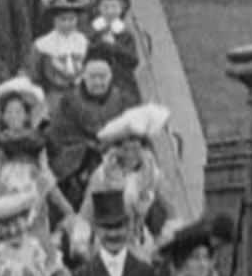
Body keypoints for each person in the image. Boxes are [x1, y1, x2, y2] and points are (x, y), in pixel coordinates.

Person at [72, 103, 183, 264]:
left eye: (134, 140)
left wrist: (163, 243)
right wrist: (81, 244)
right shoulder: (102, 175)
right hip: (108, 246)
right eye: (123, 141)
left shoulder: (153, 174)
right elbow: (85, 214)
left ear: (142, 143)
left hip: (140, 246)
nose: (129, 145)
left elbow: (173, 214)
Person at [0, 76, 73, 253]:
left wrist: (47, 188)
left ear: (26, 115)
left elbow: (44, 169)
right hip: (6, 190)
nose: (14, 116)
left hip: (33, 186)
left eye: (18, 112)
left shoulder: (37, 140)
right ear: (3, 116)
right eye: (9, 112)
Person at [47, 53, 137, 212]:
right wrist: (89, 146)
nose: (98, 82)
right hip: (80, 158)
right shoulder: (70, 101)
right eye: (93, 78)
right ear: (84, 77)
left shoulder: (122, 99)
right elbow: (60, 133)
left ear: (110, 78)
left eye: (102, 77)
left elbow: (132, 130)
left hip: (116, 154)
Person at [68, 189, 157, 276]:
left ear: (128, 227)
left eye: (118, 226)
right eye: (107, 227)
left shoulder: (146, 274)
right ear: (96, 229)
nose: (113, 234)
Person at [28, 0, 92, 117]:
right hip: (53, 96)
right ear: (54, 20)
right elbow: (34, 75)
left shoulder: (84, 42)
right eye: (63, 19)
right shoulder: (42, 45)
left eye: (71, 19)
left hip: (80, 95)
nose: (67, 24)